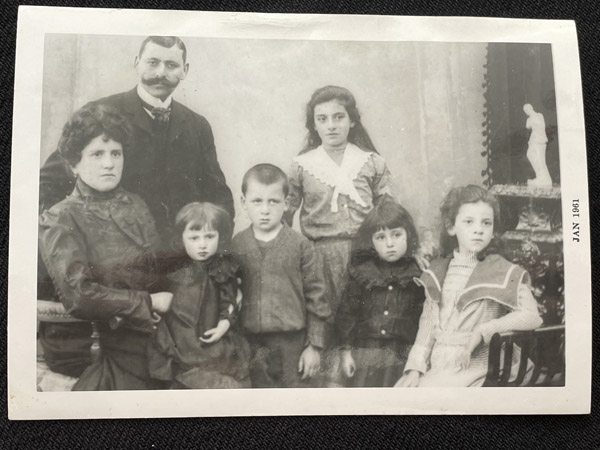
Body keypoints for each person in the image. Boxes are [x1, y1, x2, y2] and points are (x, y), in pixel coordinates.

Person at [39, 36, 235, 241]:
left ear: (184, 70)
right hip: (118, 250)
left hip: (185, 251)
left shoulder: (197, 125)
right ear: (136, 63)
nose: (161, 73)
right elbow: (48, 184)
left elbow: (218, 196)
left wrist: (217, 247)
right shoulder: (99, 112)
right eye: (153, 62)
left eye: (171, 65)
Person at [39, 104, 173, 390]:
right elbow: (79, 295)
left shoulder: (136, 204)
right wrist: (147, 303)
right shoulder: (61, 217)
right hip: (97, 340)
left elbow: (160, 270)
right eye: (97, 154)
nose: (109, 164)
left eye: (116, 153)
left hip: (152, 330)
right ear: (74, 164)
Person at [284, 85, 397, 386]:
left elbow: (389, 212)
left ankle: (364, 384)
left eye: (338, 117)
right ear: (313, 124)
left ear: (352, 120)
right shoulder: (302, 165)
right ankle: (327, 387)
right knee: (324, 318)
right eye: (322, 119)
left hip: (365, 256)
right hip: (319, 257)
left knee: (365, 319)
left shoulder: (371, 162)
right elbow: (285, 215)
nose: (331, 125)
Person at [395, 185, 543, 387]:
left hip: (483, 366)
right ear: (451, 227)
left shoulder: (504, 271)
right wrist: (415, 368)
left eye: (486, 223)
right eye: (469, 221)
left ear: (493, 231)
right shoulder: (438, 270)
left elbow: (532, 316)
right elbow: (428, 326)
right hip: (441, 364)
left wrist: (485, 330)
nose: (478, 229)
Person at [232, 164, 331, 388]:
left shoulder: (300, 245)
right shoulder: (237, 245)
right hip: (250, 345)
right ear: (243, 202)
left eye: (273, 201)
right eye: (257, 201)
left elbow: (317, 297)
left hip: (292, 345)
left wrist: (314, 346)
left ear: (286, 203)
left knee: (294, 399)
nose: (265, 210)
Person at [148, 202, 251, 389]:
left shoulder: (223, 268)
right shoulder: (175, 268)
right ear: (182, 238)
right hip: (181, 337)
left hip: (212, 335)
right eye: (194, 238)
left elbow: (231, 302)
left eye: (209, 237)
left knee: (221, 378)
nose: (202, 245)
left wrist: (222, 327)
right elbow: (160, 297)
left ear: (220, 237)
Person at [335, 198, 425, 387]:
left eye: (396, 235)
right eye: (381, 237)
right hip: (366, 354)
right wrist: (346, 352)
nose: (390, 243)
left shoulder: (418, 273)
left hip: (402, 355)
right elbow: (347, 314)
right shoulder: (363, 273)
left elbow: (424, 319)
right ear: (371, 241)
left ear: (408, 234)